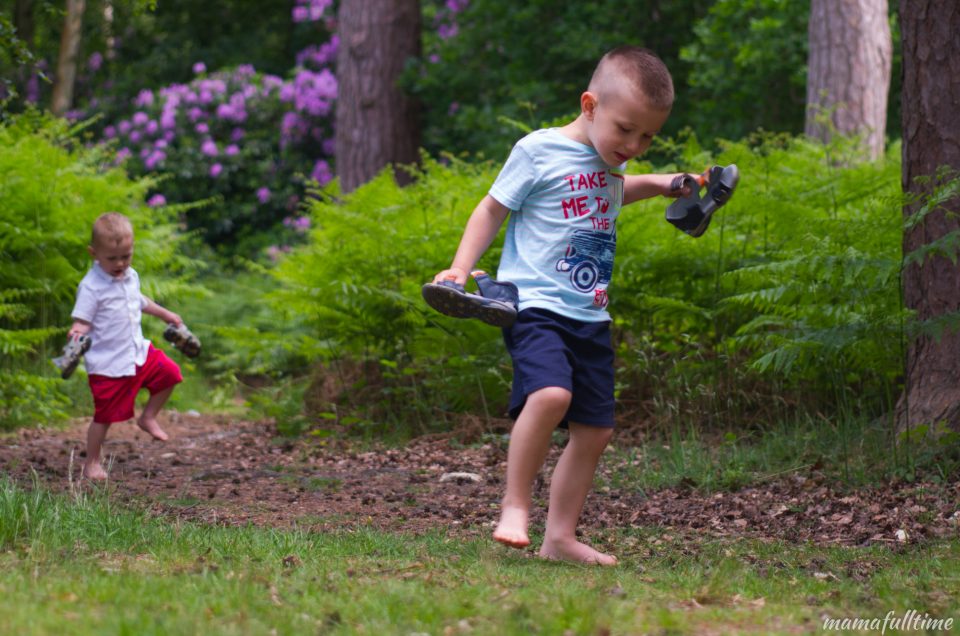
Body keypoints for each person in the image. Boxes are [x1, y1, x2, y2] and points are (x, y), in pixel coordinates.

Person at [430, 46, 689, 565]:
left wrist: (664, 184)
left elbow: (614, 191)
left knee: (596, 430)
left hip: (590, 316)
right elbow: (492, 207)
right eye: (626, 129)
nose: (634, 145)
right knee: (549, 395)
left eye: (648, 137)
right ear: (589, 105)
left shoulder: (610, 164)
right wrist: (460, 267)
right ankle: (513, 507)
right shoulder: (538, 150)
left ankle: (560, 538)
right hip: (534, 307)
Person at [68, 212, 185, 480]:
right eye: (112, 258)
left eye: (126, 256)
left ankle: (148, 417)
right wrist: (76, 333)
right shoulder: (91, 287)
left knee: (170, 374)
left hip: (137, 352)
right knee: (104, 416)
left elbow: (140, 300)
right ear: (93, 253)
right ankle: (92, 463)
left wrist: (166, 314)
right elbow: (82, 320)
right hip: (109, 363)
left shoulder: (130, 275)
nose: (121, 263)